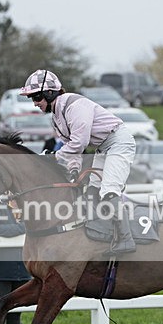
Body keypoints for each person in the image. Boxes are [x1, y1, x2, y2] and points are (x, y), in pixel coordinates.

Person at [18, 68, 137, 255]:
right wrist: (73, 170)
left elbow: (79, 142)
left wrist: (55, 157)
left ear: (50, 93)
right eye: (32, 99)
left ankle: (126, 239)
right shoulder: (56, 118)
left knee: (108, 191)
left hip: (119, 143)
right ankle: (103, 235)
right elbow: (73, 150)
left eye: (37, 97)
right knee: (92, 191)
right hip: (103, 148)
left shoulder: (75, 106)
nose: (35, 103)